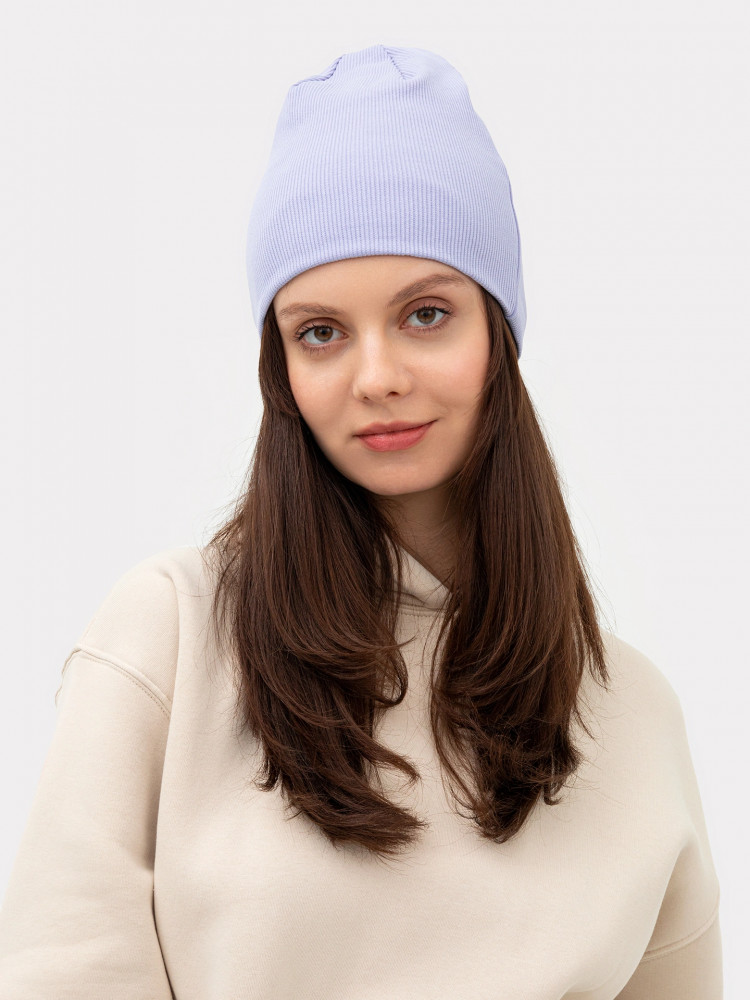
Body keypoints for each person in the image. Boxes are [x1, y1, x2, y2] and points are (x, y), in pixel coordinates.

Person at [0, 44, 721, 1000]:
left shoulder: (633, 713)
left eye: (426, 314)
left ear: (498, 332)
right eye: (321, 332)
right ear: (282, 369)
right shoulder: (171, 635)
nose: (376, 376)